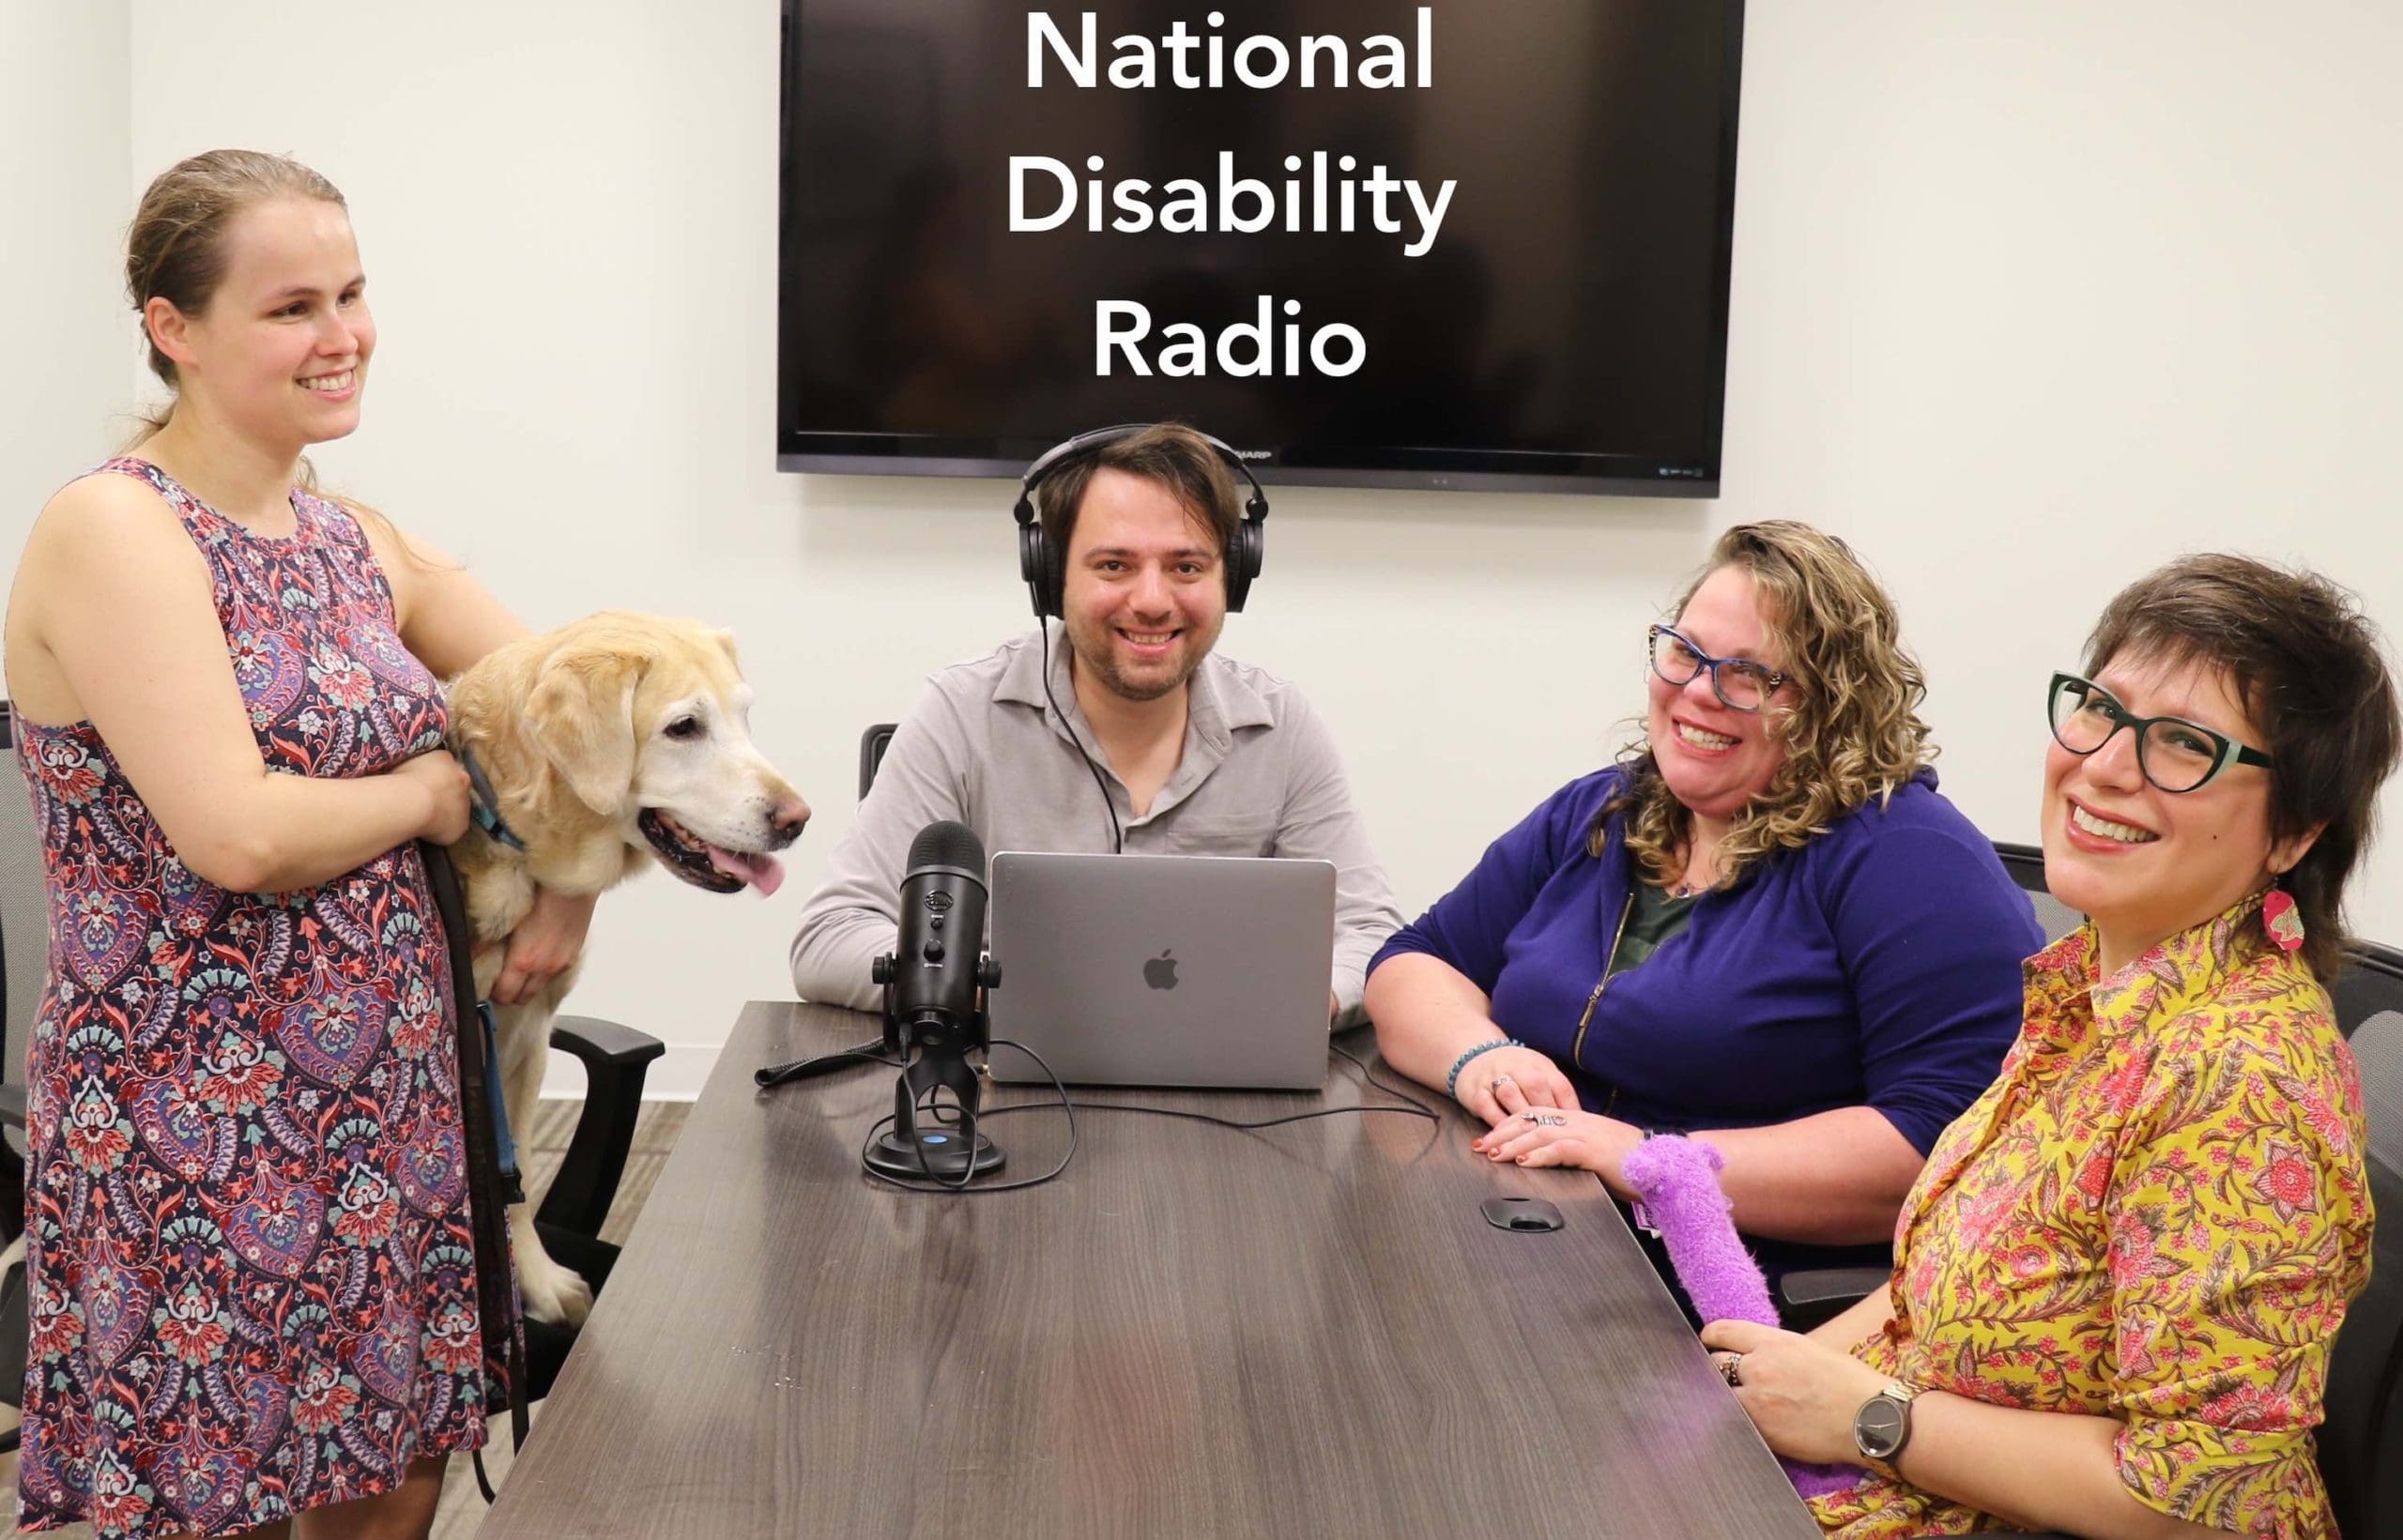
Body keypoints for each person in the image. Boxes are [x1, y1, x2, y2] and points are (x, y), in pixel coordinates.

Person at [4, 149, 595, 1540]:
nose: (341, 336)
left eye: (352, 293)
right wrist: (435, 797)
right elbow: (240, 830)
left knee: (394, 1473)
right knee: (224, 1494)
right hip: (192, 1124)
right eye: (289, 307)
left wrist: (567, 872)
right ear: (174, 329)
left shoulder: (350, 536)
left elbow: (581, 709)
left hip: (388, 1102)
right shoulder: (115, 528)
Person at [1704, 556, 2395, 1539]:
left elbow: (2204, 1503)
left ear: (2293, 832)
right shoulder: (2091, 992)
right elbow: (1934, 1295)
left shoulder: (2240, 1078)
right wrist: (1749, 1387)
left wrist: (1865, 1417)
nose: (2108, 766)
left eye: (2184, 746)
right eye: (2099, 712)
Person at [1366, 522, 2042, 1281]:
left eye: (1751, 674)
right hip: (1532, 1231)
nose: (1697, 691)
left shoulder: (1908, 855)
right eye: (1685, 652)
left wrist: (1649, 1158)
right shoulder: (1605, 811)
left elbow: (1943, 1144)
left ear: (1832, 704)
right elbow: (1414, 963)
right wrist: (1481, 1055)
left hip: (1730, 1301)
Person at [790, 422, 1401, 1023]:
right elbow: (831, 936)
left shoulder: (1282, 728)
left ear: (1231, 578)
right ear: (1052, 578)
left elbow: (1373, 936)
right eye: (1114, 565)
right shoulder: (962, 713)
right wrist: (999, 995)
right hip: (1006, 1093)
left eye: (1187, 567)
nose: (1153, 600)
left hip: (1233, 1098)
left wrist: (1302, 1002)